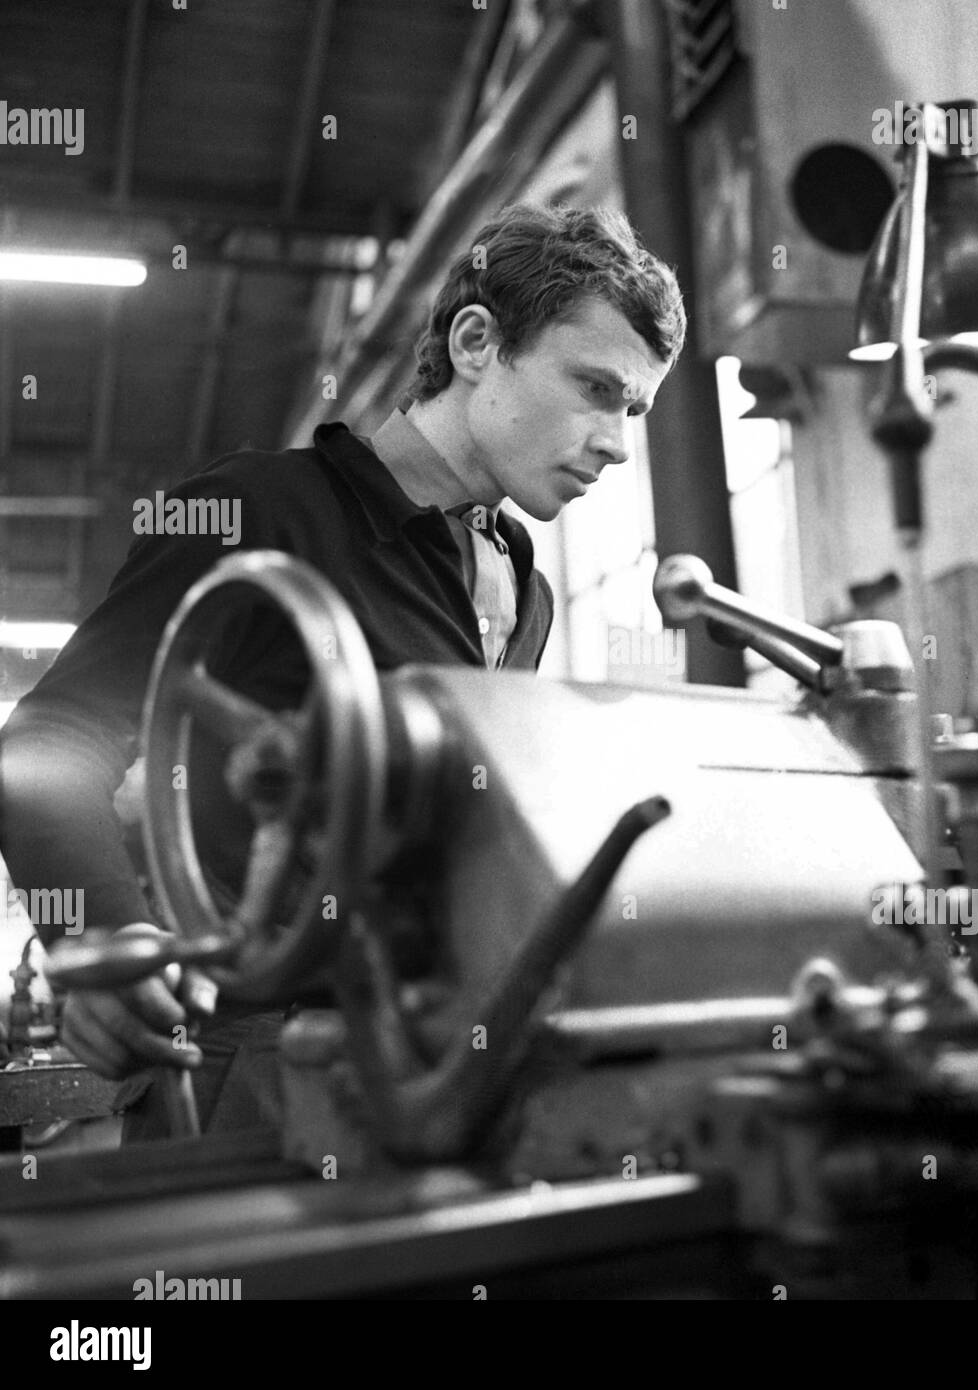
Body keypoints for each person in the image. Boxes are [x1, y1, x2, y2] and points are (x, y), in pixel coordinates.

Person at [0, 202, 686, 1135]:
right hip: (250, 1056)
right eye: (595, 390)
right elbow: (49, 744)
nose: (615, 441)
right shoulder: (253, 512)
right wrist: (104, 936)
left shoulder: (526, 588)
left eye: (634, 411)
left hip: (435, 1048)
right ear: (477, 342)